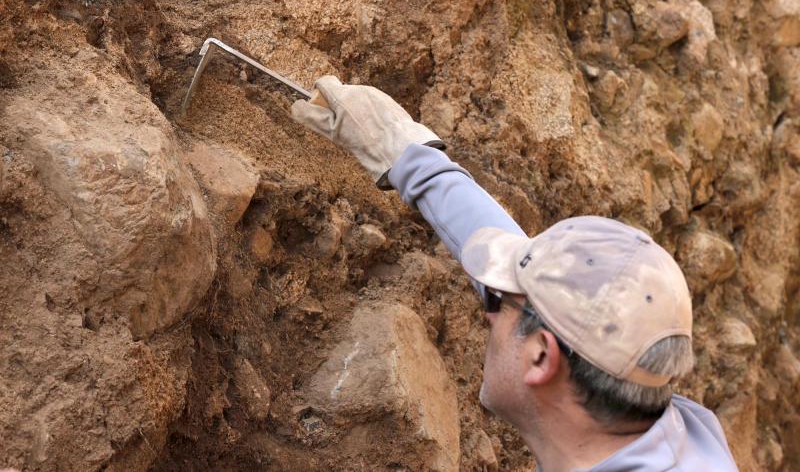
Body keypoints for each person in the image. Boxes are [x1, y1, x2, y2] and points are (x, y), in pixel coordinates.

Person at [290, 77, 739, 471]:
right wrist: (408, 155)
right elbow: (557, 299)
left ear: (542, 357)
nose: (486, 309)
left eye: (498, 302)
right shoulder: (680, 433)